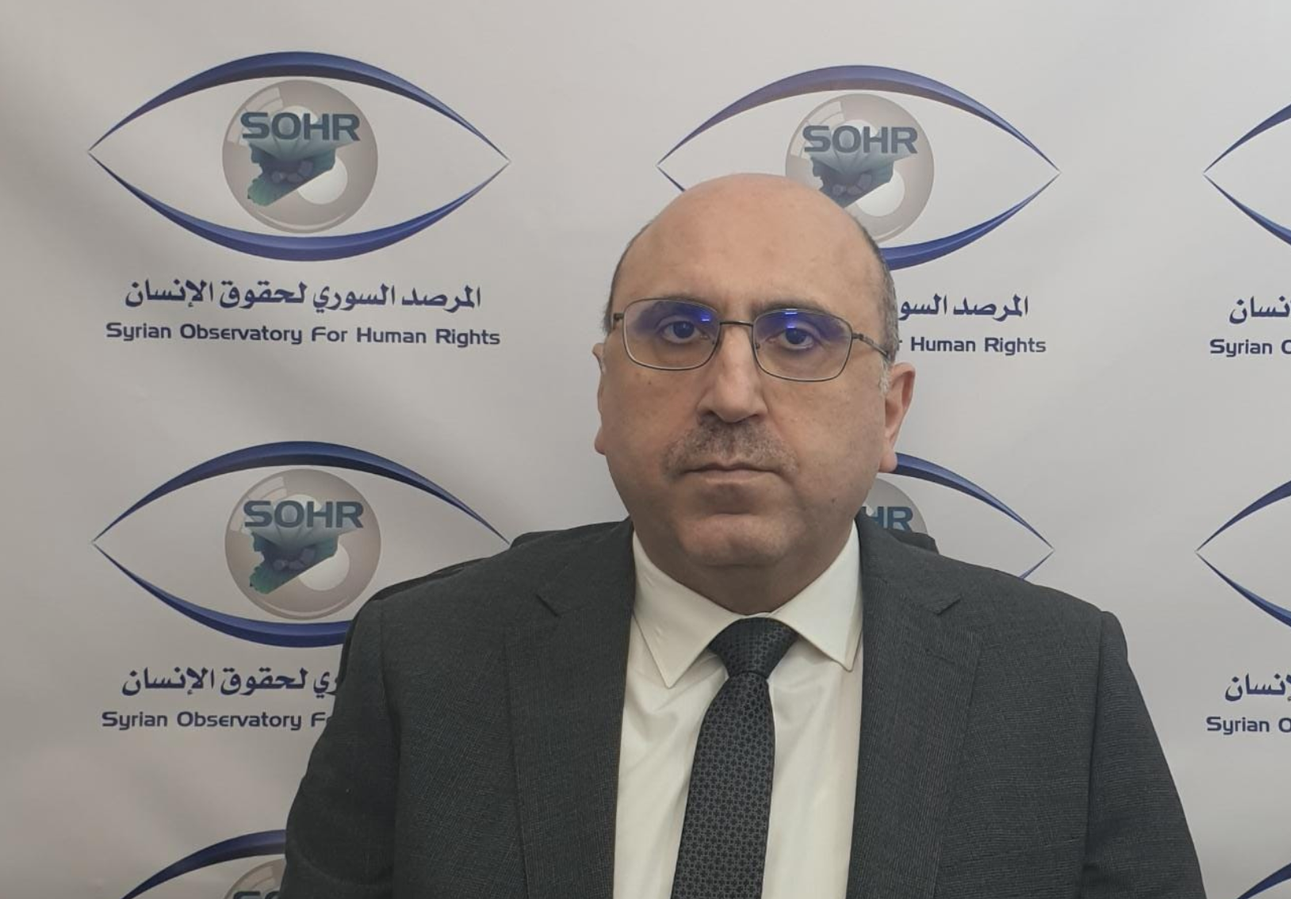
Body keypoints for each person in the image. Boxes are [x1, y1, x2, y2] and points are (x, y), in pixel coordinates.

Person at [281, 173, 1205, 898]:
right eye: (677, 329)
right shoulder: (424, 660)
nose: (730, 393)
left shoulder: (1060, 679)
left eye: (798, 337)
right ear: (604, 392)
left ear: (888, 413)